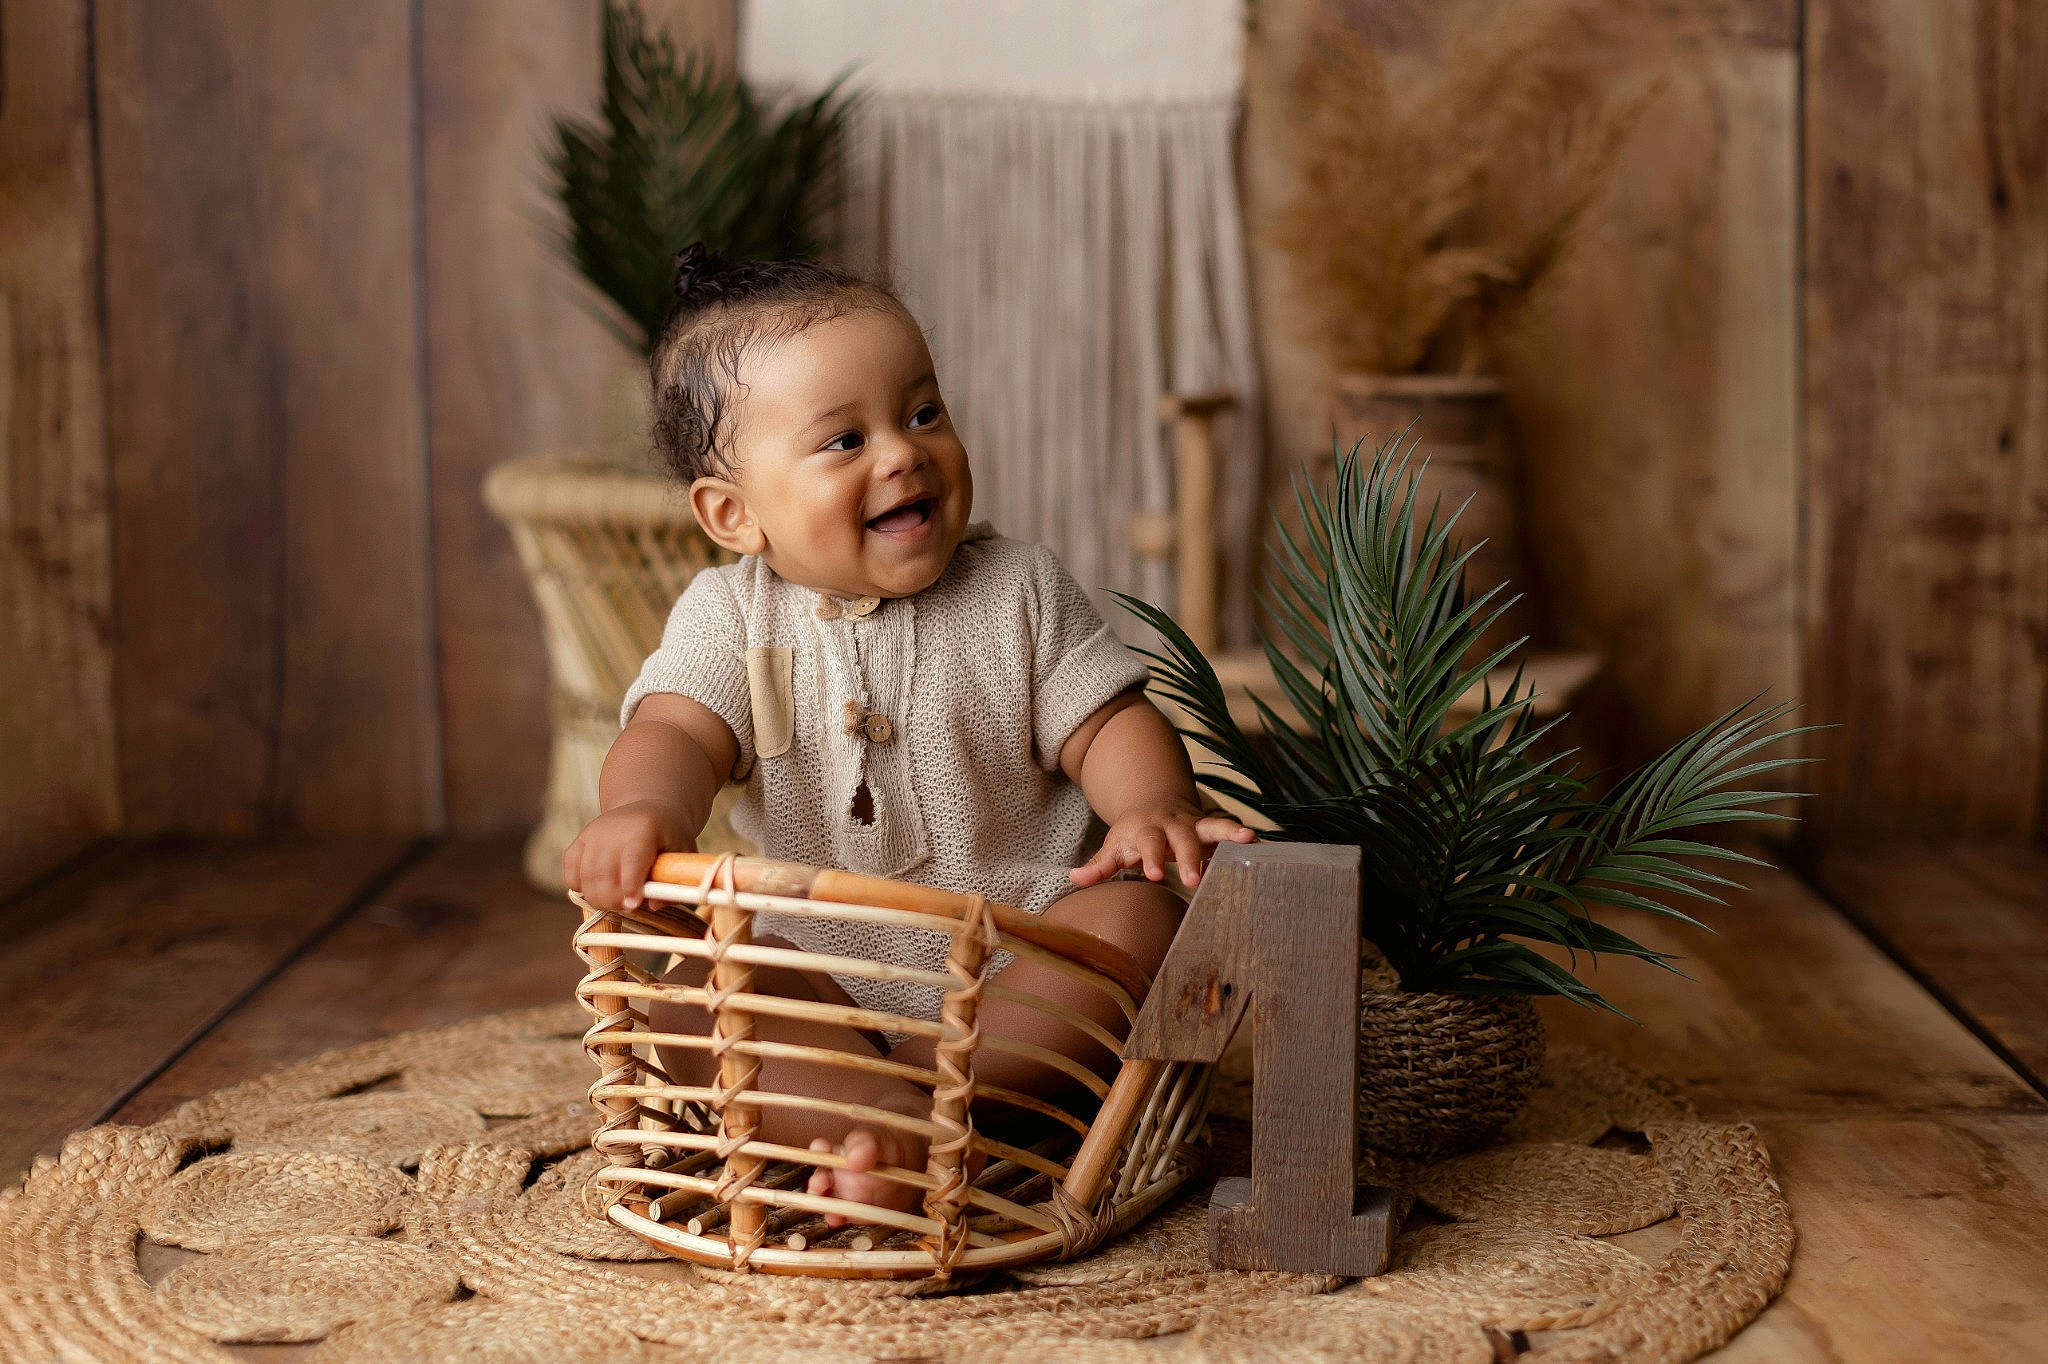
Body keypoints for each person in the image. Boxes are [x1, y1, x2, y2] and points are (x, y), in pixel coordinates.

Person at [564, 244, 1253, 1225]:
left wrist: (1148, 807)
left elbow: (1108, 721)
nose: (902, 451)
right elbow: (673, 728)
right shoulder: (729, 616)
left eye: (922, 411)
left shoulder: (1015, 588)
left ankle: (912, 1117)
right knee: (686, 982)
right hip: (820, 985)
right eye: (843, 440)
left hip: (1022, 965)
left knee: (1142, 915)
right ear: (733, 512)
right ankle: (868, 1117)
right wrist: (640, 809)